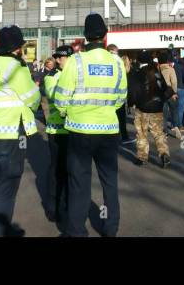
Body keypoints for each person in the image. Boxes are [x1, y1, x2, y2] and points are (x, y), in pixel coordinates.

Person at [55, 13, 127, 237]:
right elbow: (121, 97)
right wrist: (105, 109)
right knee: (109, 181)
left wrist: (68, 113)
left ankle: (76, 230)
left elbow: (61, 98)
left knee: (79, 182)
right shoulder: (116, 61)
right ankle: (110, 228)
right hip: (108, 130)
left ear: (85, 37)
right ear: (105, 35)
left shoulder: (76, 61)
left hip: (80, 130)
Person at [0, 26, 40, 236]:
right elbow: (33, 98)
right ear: (17, 48)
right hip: (11, 132)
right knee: (7, 187)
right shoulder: (16, 68)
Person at [43, 45, 72, 225]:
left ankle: (69, 204)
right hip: (57, 129)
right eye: (58, 58)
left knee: (71, 170)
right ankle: (53, 206)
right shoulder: (51, 76)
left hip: (74, 129)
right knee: (56, 170)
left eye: (61, 58)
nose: (58, 61)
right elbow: (54, 95)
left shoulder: (77, 74)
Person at [128, 50, 173, 166]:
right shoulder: (156, 72)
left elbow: (133, 91)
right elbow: (166, 88)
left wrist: (131, 103)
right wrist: (162, 100)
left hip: (142, 108)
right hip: (157, 107)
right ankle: (164, 154)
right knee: (158, 133)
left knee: (142, 133)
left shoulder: (137, 73)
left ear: (139, 60)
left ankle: (142, 157)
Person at [158, 51, 179, 138]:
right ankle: (176, 127)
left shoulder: (158, 70)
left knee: (164, 113)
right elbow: (174, 82)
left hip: (161, 94)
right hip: (170, 93)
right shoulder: (171, 69)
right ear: (167, 60)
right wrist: (174, 93)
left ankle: (165, 131)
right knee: (174, 110)